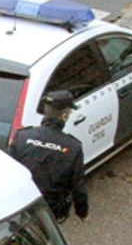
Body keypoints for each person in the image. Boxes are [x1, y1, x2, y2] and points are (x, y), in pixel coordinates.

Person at [7, 90, 89, 221]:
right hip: (51, 210)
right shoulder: (73, 147)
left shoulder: (22, 136)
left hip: (21, 202)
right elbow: (78, 187)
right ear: (64, 115)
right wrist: (82, 212)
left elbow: (8, 170)